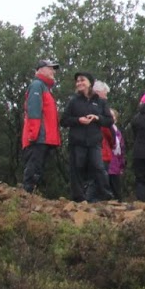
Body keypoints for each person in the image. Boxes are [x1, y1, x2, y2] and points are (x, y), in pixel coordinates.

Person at [61, 73, 114, 203]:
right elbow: (64, 121)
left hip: (94, 141)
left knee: (98, 167)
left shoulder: (100, 102)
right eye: (77, 81)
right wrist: (78, 120)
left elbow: (109, 120)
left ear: (90, 83)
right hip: (77, 141)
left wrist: (97, 118)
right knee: (77, 168)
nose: (79, 83)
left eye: (82, 80)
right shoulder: (73, 101)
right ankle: (79, 198)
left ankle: (106, 195)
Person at [20, 59, 62, 194]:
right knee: (33, 169)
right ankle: (27, 196)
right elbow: (34, 111)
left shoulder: (45, 88)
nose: (53, 71)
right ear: (40, 70)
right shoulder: (37, 85)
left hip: (44, 138)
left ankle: (31, 196)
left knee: (38, 170)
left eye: (53, 69)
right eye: (50, 68)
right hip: (37, 137)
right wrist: (33, 134)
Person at [93, 82, 124, 200]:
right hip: (102, 152)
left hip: (110, 157)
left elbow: (121, 148)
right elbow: (108, 133)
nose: (106, 98)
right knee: (97, 179)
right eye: (105, 95)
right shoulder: (98, 111)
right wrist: (113, 143)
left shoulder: (117, 131)